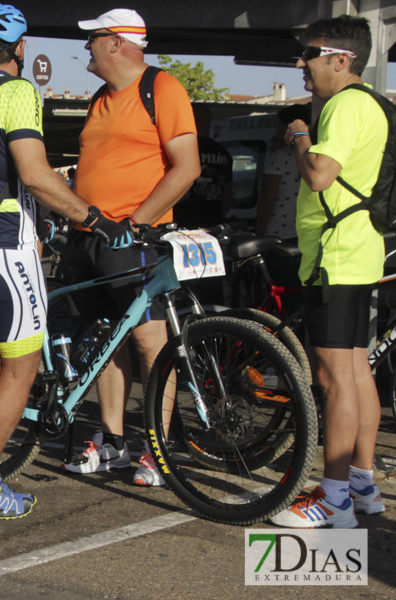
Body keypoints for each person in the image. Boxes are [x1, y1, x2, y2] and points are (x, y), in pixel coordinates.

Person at [0, 4, 131, 526]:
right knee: (22, 367)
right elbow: (33, 172)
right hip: (5, 247)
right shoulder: (18, 93)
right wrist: (92, 217)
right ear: (20, 49)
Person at [60, 8, 200, 486]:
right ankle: (113, 439)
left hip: (132, 239)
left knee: (149, 340)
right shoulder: (101, 97)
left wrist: (136, 223)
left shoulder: (162, 88)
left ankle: (157, 449)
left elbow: (187, 167)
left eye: (93, 38)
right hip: (89, 239)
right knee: (105, 337)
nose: (86, 48)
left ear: (117, 42)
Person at [271, 15, 386, 528]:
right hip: (359, 250)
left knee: (334, 379)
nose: (301, 62)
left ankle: (334, 498)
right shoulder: (375, 104)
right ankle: (362, 483)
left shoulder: (342, 105)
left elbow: (319, 175)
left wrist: (299, 133)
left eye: (309, 53)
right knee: (357, 372)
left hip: (336, 255)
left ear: (341, 59)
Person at [256, 103, 312, 240]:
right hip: (307, 232)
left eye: (281, 125)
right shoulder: (314, 155)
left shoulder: (279, 157)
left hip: (278, 232)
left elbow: (268, 199)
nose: (278, 130)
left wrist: (258, 232)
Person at [172, 104, 233, 229]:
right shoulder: (223, 152)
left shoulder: (184, 149)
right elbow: (228, 191)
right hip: (212, 223)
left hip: (183, 222)